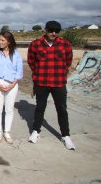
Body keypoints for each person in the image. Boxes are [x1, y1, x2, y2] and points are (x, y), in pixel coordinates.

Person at [27, 20, 75, 150]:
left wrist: (61, 72)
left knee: (62, 109)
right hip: (41, 82)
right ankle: (36, 131)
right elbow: (31, 61)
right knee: (40, 108)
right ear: (45, 30)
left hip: (58, 82)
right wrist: (37, 73)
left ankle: (66, 135)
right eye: (51, 30)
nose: (53, 33)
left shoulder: (65, 44)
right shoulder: (36, 44)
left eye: (56, 31)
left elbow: (68, 61)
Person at [0, 31, 23, 144]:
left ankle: (7, 132)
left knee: (9, 109)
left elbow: (19, 71)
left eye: (3, 40)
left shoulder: (16, 54)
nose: (0, 42)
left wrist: (12, 85)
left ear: (9, 41)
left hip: (12, 84)